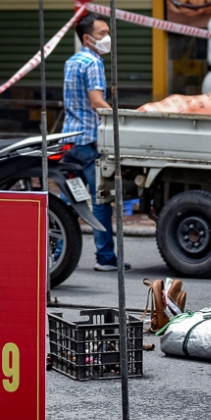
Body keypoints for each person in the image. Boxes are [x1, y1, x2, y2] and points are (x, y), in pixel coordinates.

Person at [63, 14, 129, 272]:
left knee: (68, 201)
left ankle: (54, 252)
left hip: (69, 141)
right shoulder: (93, 62)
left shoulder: (72, 61)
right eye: (102, 34)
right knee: (100, 200)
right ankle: (105, 258)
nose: (107, 38)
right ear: (86, 38)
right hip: (90, 142)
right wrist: (120, 120)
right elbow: (96, 102)